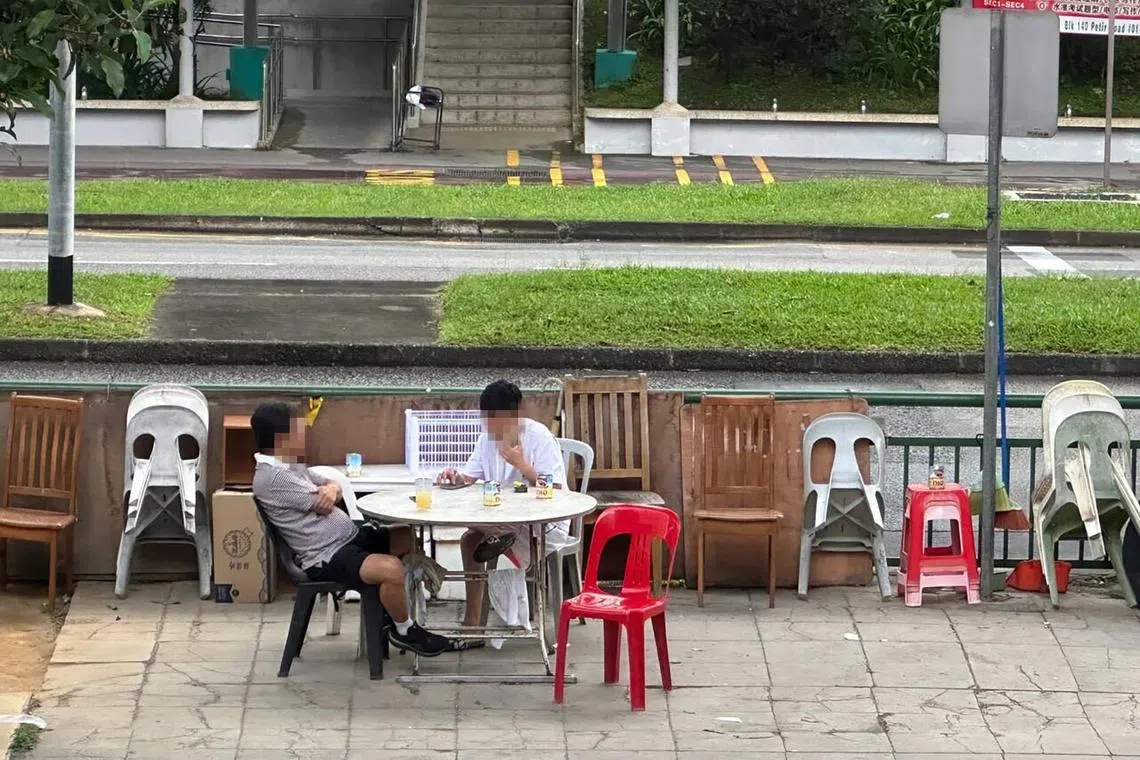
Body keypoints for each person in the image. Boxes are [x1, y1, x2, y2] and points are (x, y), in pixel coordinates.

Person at [250, 402, 450, 658]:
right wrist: (331, 492)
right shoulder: (272, 478)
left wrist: (333, 487)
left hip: (347, 538)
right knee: (391, 568)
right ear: (283, 438)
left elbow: (327, 484)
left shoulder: (288, 465)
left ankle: (390, 610)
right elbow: (322, 504)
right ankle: (404, 630)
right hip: (324, 556)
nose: (305, 432)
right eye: (299, 427)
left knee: (406, 535)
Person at [436, 380, 569, 636]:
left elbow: (559, 494)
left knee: (479, 534)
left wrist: (523, 466)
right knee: (469, 540)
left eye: (499, 419)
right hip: (500, 519)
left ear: (517, 414)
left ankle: (501, 540)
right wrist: (456, 476)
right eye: (488, 419)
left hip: (541, 524)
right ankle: (473, 624)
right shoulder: (486, 439)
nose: (492, 427)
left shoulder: (539, 437)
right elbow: (470, 476)